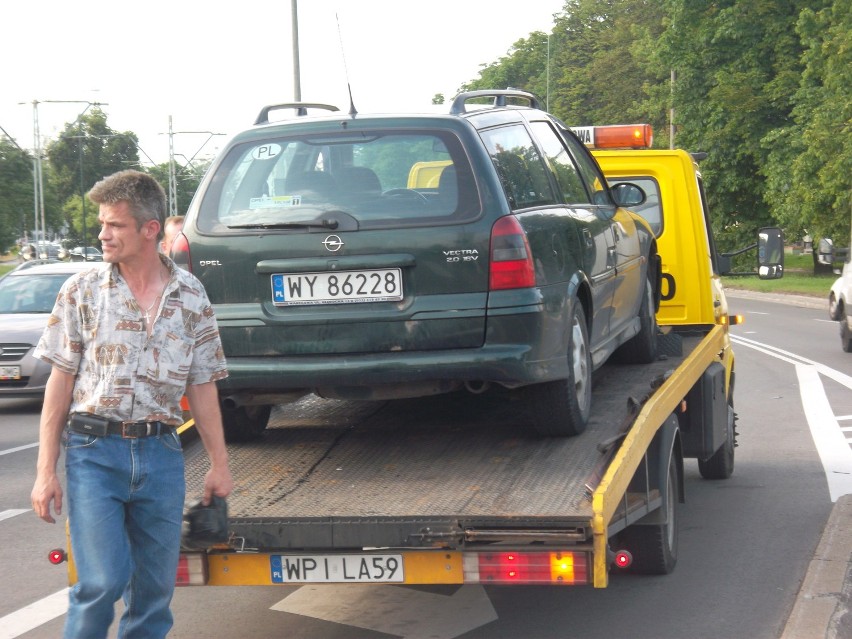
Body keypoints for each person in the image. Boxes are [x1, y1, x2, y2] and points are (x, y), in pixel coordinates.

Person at [30, 170, 232, 639]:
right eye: (102, 224)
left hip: (162, 453)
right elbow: (58, 386)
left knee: (154, 595)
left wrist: (220, 464)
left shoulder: (191, 295)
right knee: (100, 581)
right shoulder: (82, 291)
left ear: (150, 229)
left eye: (114, 225)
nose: (102, 234)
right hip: (94, 452)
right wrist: (45, 471)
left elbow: (203, 385)